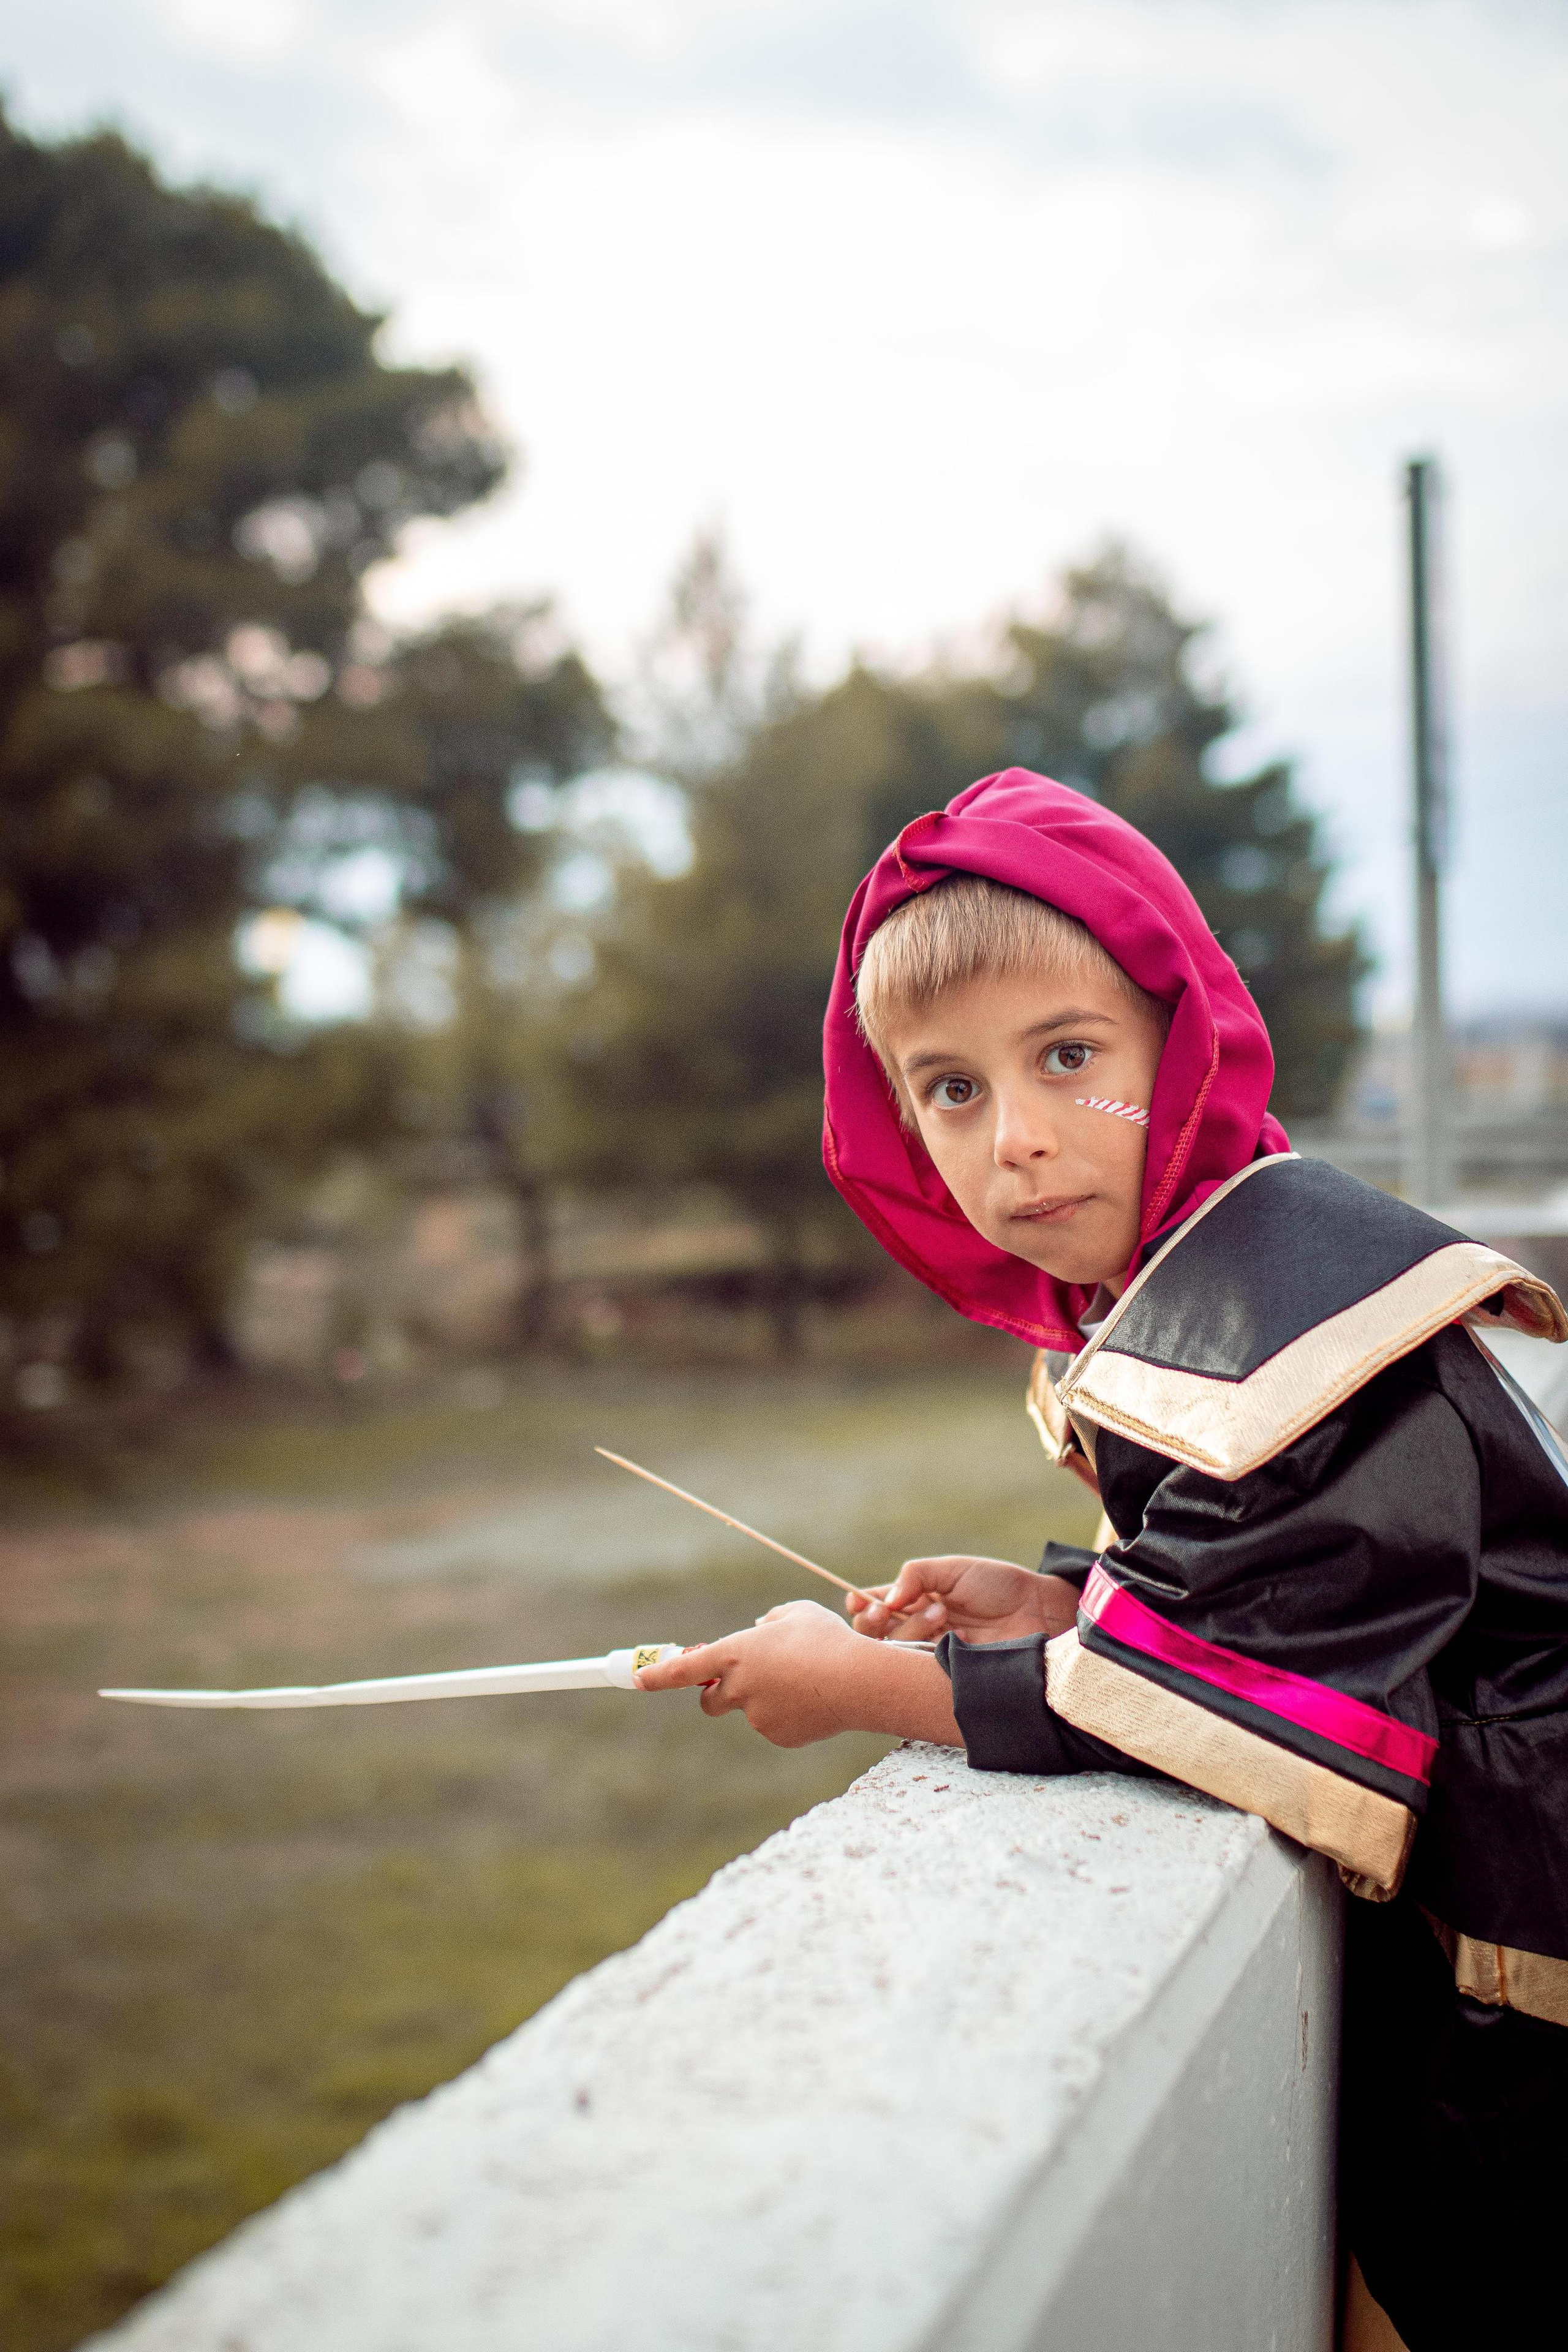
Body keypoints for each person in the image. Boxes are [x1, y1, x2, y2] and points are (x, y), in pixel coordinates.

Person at [636, 768, 1568, 2348]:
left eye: (1069, 1057)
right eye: (948, 1090)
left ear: (1181, 1041)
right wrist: (1067, 1593)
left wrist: (864, 1683)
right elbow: (1277, 1588)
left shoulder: (1313, 1324)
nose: (1018, 1141)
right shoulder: (1207, 1280)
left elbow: (1228, 1702)